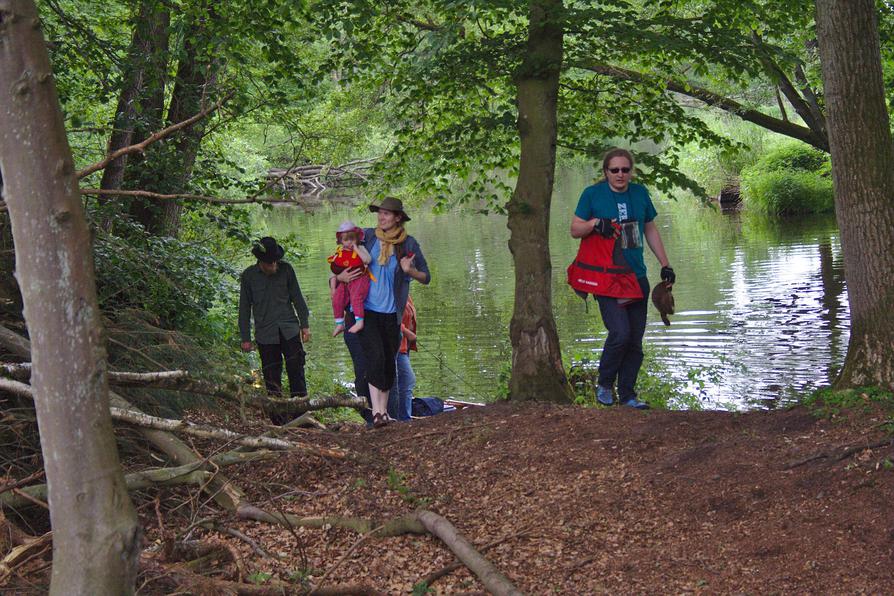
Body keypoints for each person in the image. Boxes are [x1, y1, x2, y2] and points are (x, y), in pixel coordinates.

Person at [570, 148, 675, 409]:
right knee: (620, 333)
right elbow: (575, 229)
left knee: (635, 341)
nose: (620, 174)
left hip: (636, 276)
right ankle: (605, 384)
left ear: (631, 171)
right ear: (606, 172)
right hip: (607, 279)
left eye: (625, 170)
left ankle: (628, 395)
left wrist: (665, 264)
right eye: (614, 170)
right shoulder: (592, 194)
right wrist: (595, 223)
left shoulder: (639, 194)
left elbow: (649, 229)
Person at [335, 197, 430, 428]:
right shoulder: (365, 237)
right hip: (365, 312)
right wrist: (340, 276)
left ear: (398, 217)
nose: (381, 217)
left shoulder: (408, 244)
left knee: (388, 363)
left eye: (386, 214)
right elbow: (339, 261)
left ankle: (383, 413)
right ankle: (377, 413)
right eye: (380, 213)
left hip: (391, 315)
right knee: (374, 359)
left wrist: (410, 270)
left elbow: (426, 277)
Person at [239, 237, 311, 421]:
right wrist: (245, 337)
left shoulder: (286, 270)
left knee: (296, 370)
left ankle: (301, 414)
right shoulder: (249, 276)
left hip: (289, 328)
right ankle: (277, 419)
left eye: (275, 261)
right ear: (261, 262)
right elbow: (244, 308)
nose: (273, 265)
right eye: (270, 262)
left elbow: (298, 298)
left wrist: (305, 325)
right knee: (272, 375)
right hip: (265, 333)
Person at [328, 221, 372, 336]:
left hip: (360, 279)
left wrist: (356, 249)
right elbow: (333, 271)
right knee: (337, 298)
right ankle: (339, 323)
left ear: (357, 238)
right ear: (341, 241)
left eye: (352, 239)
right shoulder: (339, 252)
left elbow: (367, 260)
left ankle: (359, 321)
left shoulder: (361, 248)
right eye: (346, 240)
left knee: (356, 297)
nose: (349, 242)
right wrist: (333, 288)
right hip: (344, 282)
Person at [388, 294, 417, 421]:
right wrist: (406, 332)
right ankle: (402, 419)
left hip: (403, 345)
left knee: (404, 381)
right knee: (406, 379)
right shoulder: (389, 290)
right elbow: (385, 315)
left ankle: (402, 417)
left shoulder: (404, 292)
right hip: (393, 344)